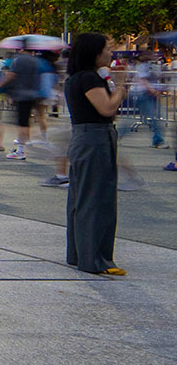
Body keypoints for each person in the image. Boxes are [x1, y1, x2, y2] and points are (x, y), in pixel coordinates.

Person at [65, 33, 126, 275]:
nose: (111, 53)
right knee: (97, 199)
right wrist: (120, 88)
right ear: (95, 53)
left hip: (84, 137)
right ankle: (95, 258)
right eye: (107, 49)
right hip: (95, 138)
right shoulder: (89, 78)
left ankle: (79, 253)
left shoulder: (76, 78)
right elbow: (107, 108)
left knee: (81, 198)